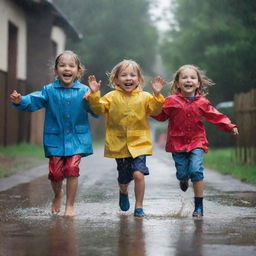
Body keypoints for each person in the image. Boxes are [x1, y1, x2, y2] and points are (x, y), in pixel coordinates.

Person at [10, 50, 97, 217]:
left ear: (78, 71)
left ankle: (70, 206)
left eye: (71, 66)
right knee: (56, 174)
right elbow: (34, 100)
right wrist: (21, 100)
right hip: (55, 138)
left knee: (72, 169)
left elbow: (96, 111)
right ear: (56, 70)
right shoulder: (48, 90)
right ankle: (58, 194)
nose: (67, 68)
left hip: (77, 138)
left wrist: (94, 97)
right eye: (62, 65)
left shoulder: (85, 91)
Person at [152, 64, 239, 217]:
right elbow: (160, 115)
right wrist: (156, 97)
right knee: (182, 173)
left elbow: (215, 116)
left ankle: (199, 207)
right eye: (184, 77)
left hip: (196, 141)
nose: (188, 80)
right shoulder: (171, 101)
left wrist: (229, 125)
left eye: (192, 77)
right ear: (178, 83)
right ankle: (183, 179)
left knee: (196, 170)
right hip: (177, 143)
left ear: (198, 83)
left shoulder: (202, 102)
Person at [86, 59, 165, 217]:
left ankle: (139, 206)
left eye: (132, 75)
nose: (128, 78)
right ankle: (123, 191)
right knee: (124, 178)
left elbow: (155, 110)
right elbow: (98, 109)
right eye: (123, 75)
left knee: (138, 174)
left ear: (139, 79)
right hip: (119, 144)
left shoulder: (145, 96)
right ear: (116, 79)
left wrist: (157, 94)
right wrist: (94, 94)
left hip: (139, 143)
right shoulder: (111, 96)